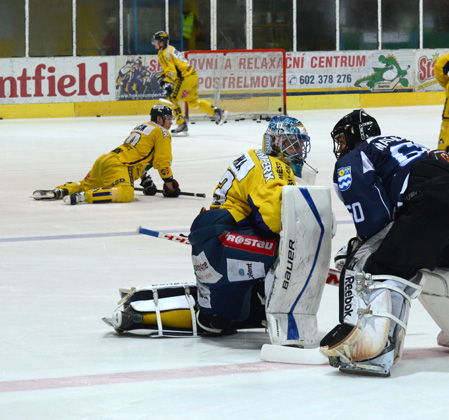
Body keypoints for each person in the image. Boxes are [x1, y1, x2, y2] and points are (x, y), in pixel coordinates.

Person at [103, 116, 332, 348]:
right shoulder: (273, 166)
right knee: (287, 251)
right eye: (293, 143)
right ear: (275, 142)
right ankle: (281, 313)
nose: (299, 150)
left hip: (212, 241)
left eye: (300, 144)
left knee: (218, 320)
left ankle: (142, 314)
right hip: (221, 241)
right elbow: (273, 221)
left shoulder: (259, 159)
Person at [319, 109, 449, 376]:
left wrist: (365, 246)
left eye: (343, 140)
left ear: (354, 135)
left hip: (433, 202)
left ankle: (374, 352)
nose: (341, 147)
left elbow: (372, 214)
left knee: (380, 268)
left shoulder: (355, 156)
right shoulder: (399, 143)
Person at [31, 104, 181, 205]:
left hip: (105, 160)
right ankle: (83, 197)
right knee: (126, 193)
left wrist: (145, 180)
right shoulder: (162, 132)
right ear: (159, 119)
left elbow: (138, 154)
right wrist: (170, 188)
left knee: (84, 185)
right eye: (168, 119)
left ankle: (60, 191)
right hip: (119, 166)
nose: (171, 123)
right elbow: (162, 163)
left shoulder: (142, 127)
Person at [151, 31, 228, 136]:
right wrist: (163, 77)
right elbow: (172, 68)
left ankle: (181, 123)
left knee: (172, 98)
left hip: (186, 78)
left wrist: (167, 83)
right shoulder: (169, 49)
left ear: (162, 43)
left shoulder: (164, 54)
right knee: (193, 102)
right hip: (192, 76)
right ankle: (218, 112)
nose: (154, 43)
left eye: (156, 41)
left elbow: (171, 71)